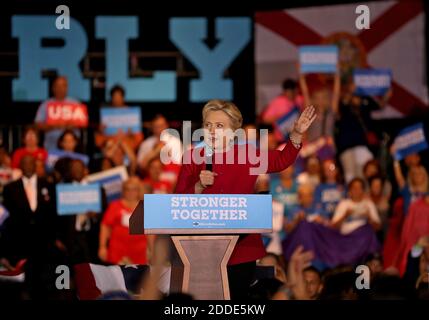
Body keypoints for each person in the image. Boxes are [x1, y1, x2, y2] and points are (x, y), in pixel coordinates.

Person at [174, 99, 317, 299]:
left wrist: (296, 133)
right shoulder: (192, 157)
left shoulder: (248, 156)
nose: (212, 130)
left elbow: (282, 160)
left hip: (241, 248)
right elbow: (176, 204)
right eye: (208, 125)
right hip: (201, 247)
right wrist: (197, 186)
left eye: (220, 126)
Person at [99, 177, 155, 265]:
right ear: (123, 191)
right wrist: (102, 247)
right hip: (117, 252)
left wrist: (152, 251)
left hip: (139, 253)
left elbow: (150, 232)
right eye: (127, 189)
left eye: (134, 189)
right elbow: (105, 226)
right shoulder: (114, 206)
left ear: (138, 191)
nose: (130, 192)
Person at [34, 76, 86, 150]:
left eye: (63, 86)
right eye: (57, 86)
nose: (60, 89)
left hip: (72, 148)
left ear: (67, 88)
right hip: (51, 147)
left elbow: (84, 123)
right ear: (53, 88)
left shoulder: (75, 104)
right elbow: (37, 125)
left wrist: (73, 125)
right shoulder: (45, 105)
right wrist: (55, 125)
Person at [95, 84, 144, 151]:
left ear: (123, 97)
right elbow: (99, 139)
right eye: (114, 96)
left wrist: (131, 134)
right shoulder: (106, 114)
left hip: (126, 142)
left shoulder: (131, 113)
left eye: (119, 96)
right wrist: (101, 130)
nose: (116, 99)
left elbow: (138, 136)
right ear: (111, 98)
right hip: (111, 141)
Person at [261, 79, 304, 143]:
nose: (291, 94)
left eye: (293, 92)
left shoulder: (300, 99)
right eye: (288, 92)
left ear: (296, 90)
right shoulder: (277, 102)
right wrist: (282, 116)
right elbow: (265, 119)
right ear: (284, 91)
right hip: (281, 139)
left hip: (297, 137)